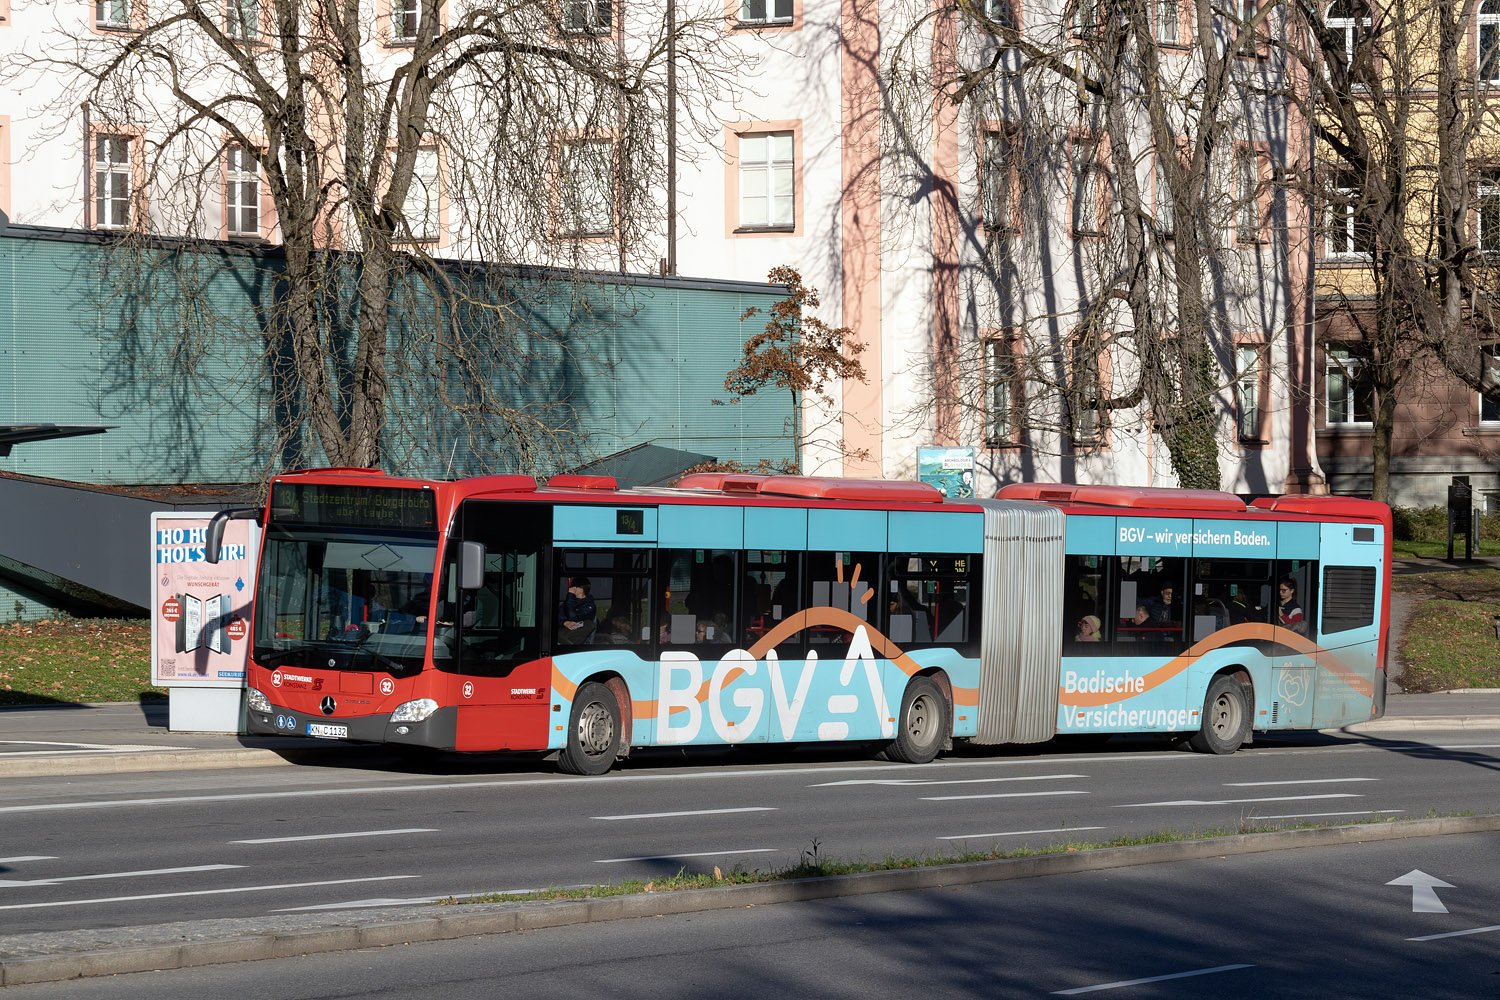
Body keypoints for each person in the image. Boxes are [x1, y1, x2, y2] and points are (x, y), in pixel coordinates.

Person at [557, 577, 596, 645]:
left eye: (574, 587)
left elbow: (573, 618)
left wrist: (570, 595)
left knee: (589, 624)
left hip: (575, 634)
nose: (570, 589)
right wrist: (564, 622)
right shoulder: (569, 601)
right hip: (563, 630)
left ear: (581, 589)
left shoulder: (589, 606)